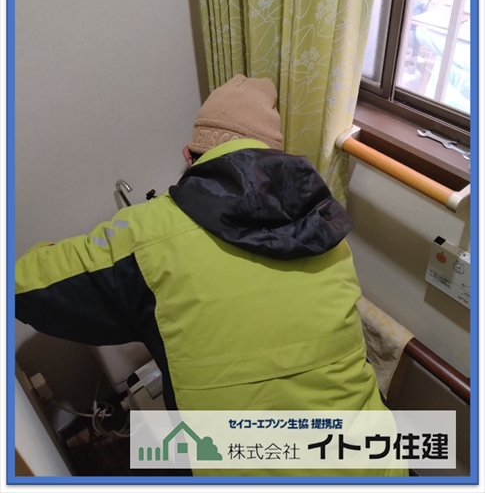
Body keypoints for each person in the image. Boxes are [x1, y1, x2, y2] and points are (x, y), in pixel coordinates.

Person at [16, 74, 407, 477]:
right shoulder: (326, 227)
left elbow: (24, 285)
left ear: (189, 156)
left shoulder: (147, 236)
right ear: (273, 158)